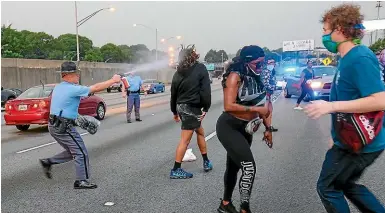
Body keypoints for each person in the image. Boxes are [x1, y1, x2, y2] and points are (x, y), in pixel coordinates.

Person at [304, 4, 385, 212]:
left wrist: (330, 106)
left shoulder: (360, 58)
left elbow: (380, 100)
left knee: (328, 187)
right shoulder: (347, 58)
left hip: (361, 142)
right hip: (351, 139)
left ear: (339, 29)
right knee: (344, 184)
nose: (323, 35)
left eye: (325, 30)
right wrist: (336, 134)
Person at [39, 61, 121, 189]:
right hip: (63, 126)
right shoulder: (72, 88)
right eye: (76, 73)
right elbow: (95, 88)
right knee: (81, 152)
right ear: (69, 75)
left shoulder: (59, 87)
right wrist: (113, 80)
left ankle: (48, 162)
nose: (78, 76)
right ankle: (81, 181)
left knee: (73, 151)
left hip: (54, 125)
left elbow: (74, 99)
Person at [216, 45, 273, 213]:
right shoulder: (235, 76)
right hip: (229, 126)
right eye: (257, 64)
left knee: (233, 167)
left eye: (262, 63)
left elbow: (264, 104)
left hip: (246, 129)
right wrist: (255, 110)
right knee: (249, 167)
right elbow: (228, 106)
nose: (261, 67)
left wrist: (268, 128)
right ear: (247, 62)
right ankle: (244, 209)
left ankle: (225, 204)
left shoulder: (257, 77)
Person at [169, 44, 213, 179]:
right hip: (191, 107)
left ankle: (206, 161)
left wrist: (175, 112)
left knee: (200, 131)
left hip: (181, 107)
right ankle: (176, 169)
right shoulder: (200, 69)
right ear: (192, 55)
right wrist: (206, 107)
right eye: (194, 52)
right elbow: (205, 90)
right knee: (185, 140)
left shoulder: (178, 73)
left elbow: (173, 95)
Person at [265, 59, 278, 132]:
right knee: (268, 110)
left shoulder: (272, 72)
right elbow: (265, 83)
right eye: (271, 63)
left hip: (269, 93)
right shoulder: (266, 72)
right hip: (266, 93)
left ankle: (269, 126)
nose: (272, 64)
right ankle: (268, 126)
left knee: (270, 110)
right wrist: (273, 87)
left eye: (273, 63)